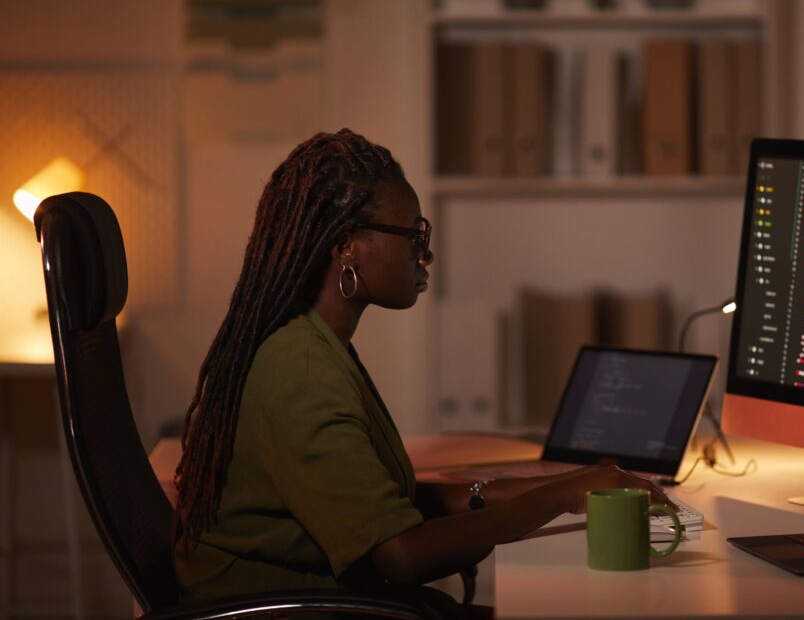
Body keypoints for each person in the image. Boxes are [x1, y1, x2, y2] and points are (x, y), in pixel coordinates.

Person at [173, 129, 670, 606]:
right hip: (291, 607)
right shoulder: (302, 368)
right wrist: (566, 494)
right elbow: (401, 555)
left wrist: (568, 482)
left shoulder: (315, 343)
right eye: (413, 236)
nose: (425, 256)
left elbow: (386, 502)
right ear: (347, 245)